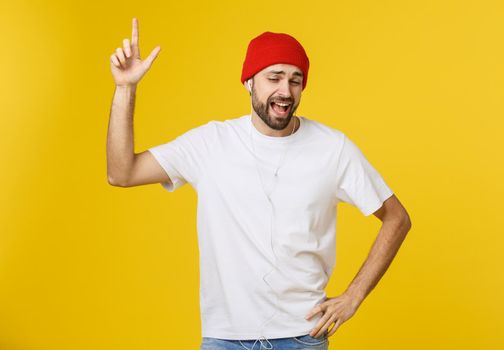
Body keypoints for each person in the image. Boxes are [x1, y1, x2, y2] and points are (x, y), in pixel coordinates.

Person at [107, 17, 412, 350]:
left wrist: (353, 296)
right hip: (224, 339)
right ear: (249, 82)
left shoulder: (332, 148)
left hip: (301, 337)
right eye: (274, 78)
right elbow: (122, 173)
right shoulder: (210, 144)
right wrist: (125, 88)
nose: (286, 91)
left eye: (296, 80)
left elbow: (397, 218)